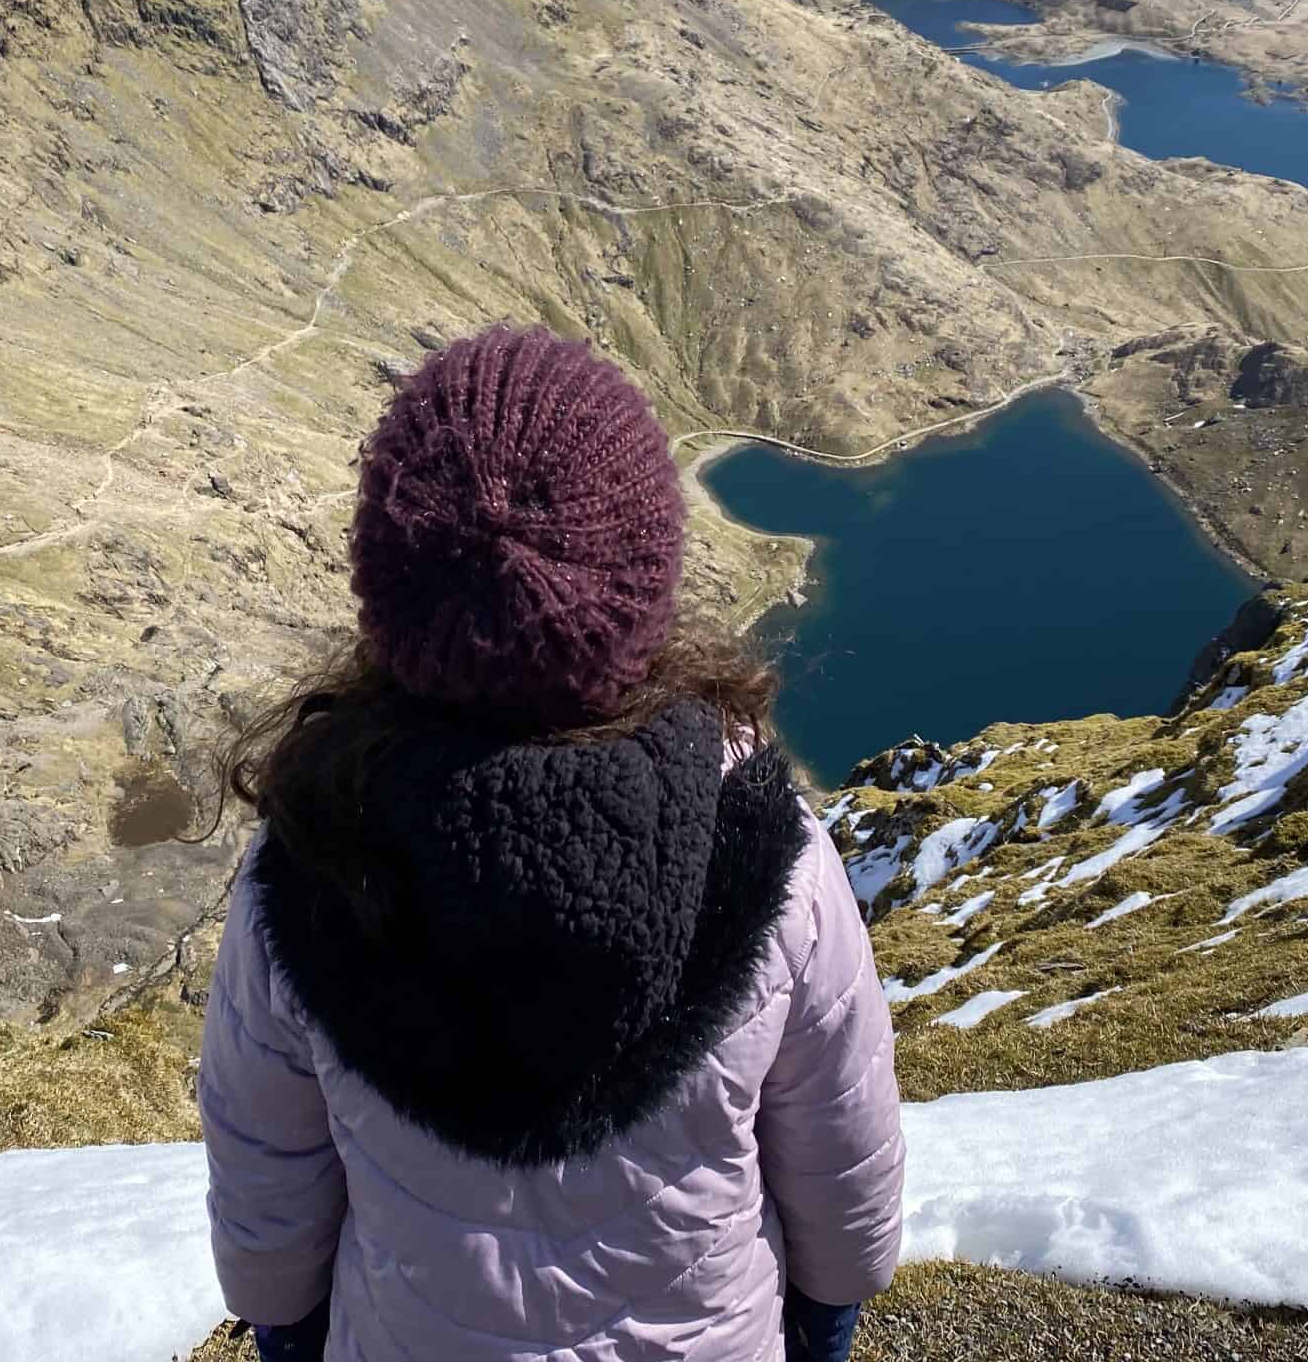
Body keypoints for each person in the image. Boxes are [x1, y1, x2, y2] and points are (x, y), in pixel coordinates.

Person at [199, 322, 905, 1361]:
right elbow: (841, 1144)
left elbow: (264, 1162)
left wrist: (289, 1330)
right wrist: (828, 1313)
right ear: (642, 574)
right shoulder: (763, 850)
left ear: (394, 590)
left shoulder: (313, 861)